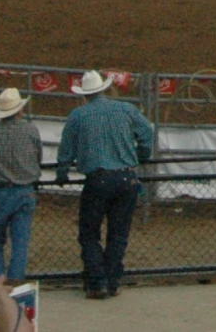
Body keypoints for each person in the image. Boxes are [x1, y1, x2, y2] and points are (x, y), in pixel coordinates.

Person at [55, 68, 157, 299]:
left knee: (89, 233)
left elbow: (66, 149)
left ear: (84, 94)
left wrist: (62, 172)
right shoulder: (126, 109)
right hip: (126, 177)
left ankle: (97, 280)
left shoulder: (78, 116)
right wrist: (142, 155)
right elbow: (146, 133)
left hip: (97, 179)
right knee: (118, 234)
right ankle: (111, 281)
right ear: (103, 88)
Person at [0, 87, 42, 286]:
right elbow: (38, 157)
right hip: (24, 189)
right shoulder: (31, 130)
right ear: (19, 110)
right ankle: (16, 278)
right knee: (21, 240)